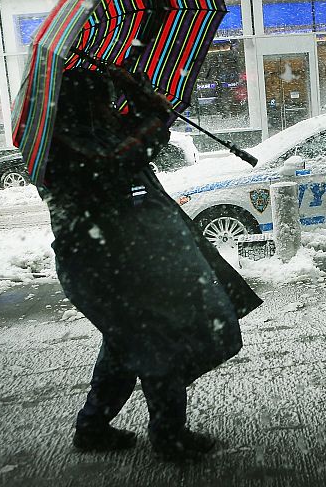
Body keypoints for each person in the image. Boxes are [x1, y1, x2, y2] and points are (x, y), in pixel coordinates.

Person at [38, 64, 262, 460]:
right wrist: (153, 117)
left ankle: (93, 427)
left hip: (128, 260)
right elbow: (121, 160)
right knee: (158, 344)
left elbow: (143, 133)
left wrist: (136, 89)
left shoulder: (95, 130)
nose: (111, 105)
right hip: (104, 266)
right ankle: (169, 435)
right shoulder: (66, 144)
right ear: (82, 103)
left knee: (126, 347)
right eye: (103, 97)